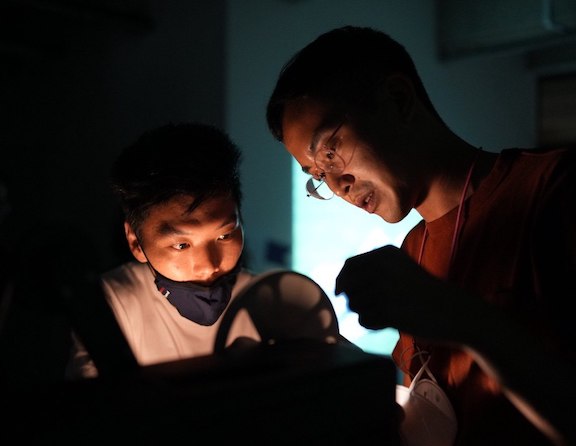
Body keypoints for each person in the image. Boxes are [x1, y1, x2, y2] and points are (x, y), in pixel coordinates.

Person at [266, 25, 575, 446]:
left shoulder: (551, 190)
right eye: (318, 175)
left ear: (398, 99)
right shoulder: (415, 250)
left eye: (331, 150)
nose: (337, 185)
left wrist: (466, 320)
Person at [67, 122, 260, 379]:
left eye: (225, 235)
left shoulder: (269, 303)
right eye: (181, 245)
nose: (208, 265)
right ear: (136, 242)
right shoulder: (112, 305)